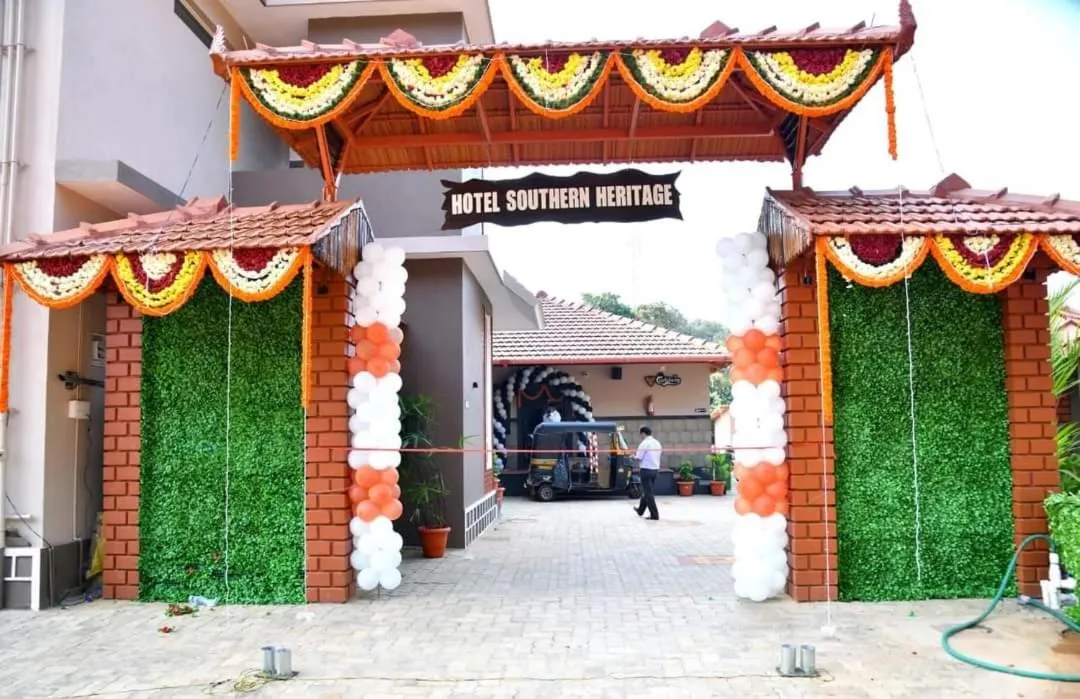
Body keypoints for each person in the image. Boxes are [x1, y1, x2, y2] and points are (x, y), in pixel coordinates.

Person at [633, 426, 662, 520]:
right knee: (647, 491)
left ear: (643, 433)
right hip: (655, 470)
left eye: (640, 434)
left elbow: (639, 457)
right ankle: (640, 510)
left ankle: (654, 515)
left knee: (648, 493)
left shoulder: (644, 443)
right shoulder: (657, 443)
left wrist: (632, 457)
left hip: (646, 470)